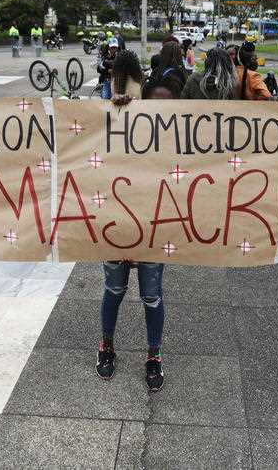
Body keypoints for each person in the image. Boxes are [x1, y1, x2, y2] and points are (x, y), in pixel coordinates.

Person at [97, 71, 183, 393]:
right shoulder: (123, 127)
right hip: (117, 226)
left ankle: (154, 355)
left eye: (168, 107)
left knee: (151, 296)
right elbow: (98, 147)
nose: (160, 112)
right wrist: (115, 109)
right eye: (154, 104)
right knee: (114, 290)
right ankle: (106, 345)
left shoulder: (180, 138)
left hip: (154, 231)